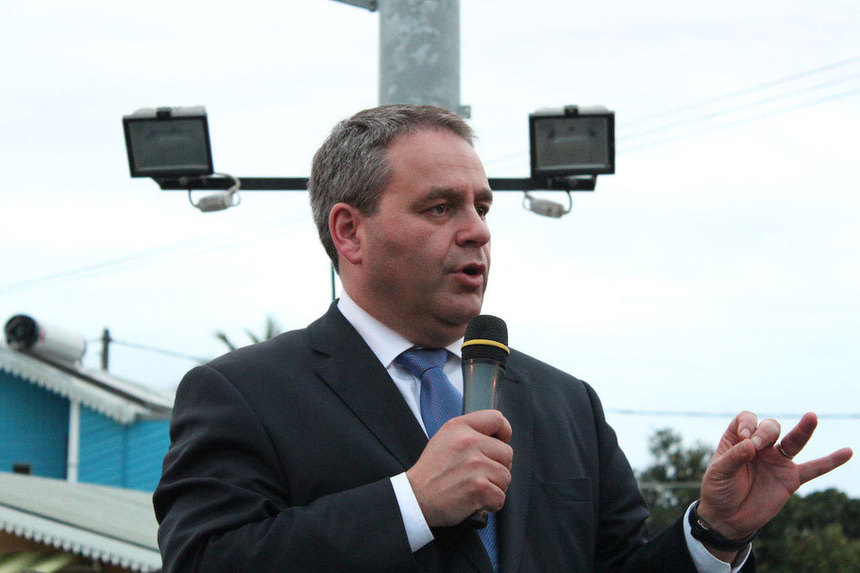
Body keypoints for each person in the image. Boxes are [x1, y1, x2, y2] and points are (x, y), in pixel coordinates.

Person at [153, 104, 853, 572]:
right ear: (348, 231)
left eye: (482, 206)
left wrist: (713, 534)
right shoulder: (244, 394)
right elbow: (206, 560)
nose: (478, 230)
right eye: (440, 206)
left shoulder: (564, 402)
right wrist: (412, 502)